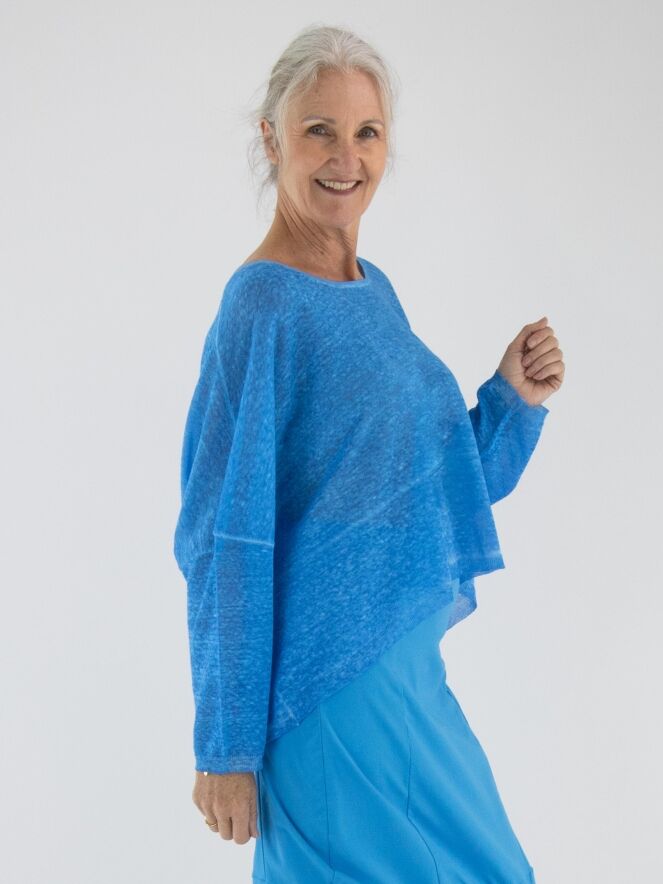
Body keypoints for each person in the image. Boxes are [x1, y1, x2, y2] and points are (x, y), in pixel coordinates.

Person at [173, 24, 565, 883]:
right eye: (319, 130)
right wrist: (224, 747)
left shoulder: (370, 289)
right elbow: (225, 541)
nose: (345, 158)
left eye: (366, 132)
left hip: (403, 676)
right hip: (333, 693)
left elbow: (425, 499)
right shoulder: (263, 307)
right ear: (271, 138)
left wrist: (510, 403)